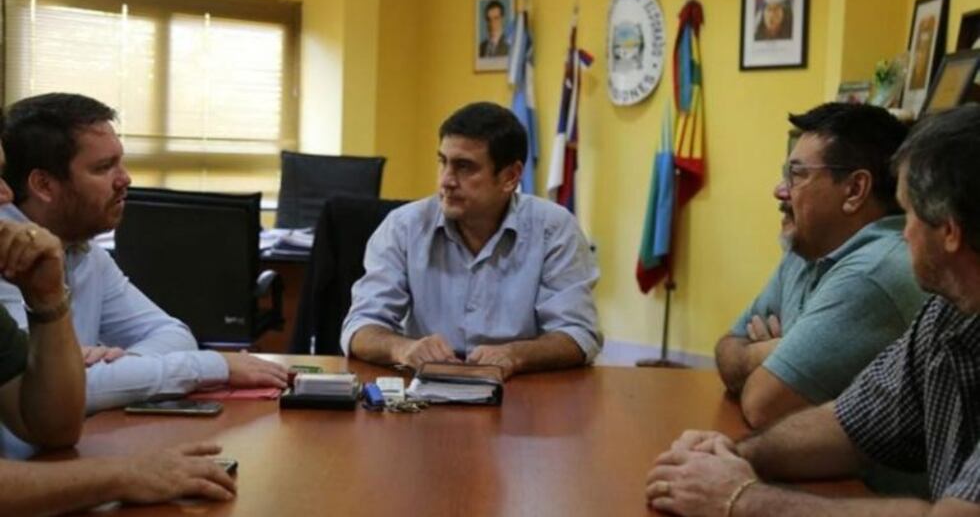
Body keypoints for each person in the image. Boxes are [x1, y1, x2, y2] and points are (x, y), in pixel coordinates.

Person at [645, 105, 980, 516]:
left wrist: (740, 498)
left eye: (908, 213)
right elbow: (849, 426)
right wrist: (730, 454)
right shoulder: (947, 316)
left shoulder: (884, 267)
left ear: (949, 230)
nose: (902, 232)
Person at [0, 120, 236, 514]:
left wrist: (48, 302)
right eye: (102, 167)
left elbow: (55, 428)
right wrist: (123, 475)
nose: (6, 193)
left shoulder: (66, 256)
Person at [0, 93, 287, 415]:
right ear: (44, 185)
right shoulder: (7, 259)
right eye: (103, 168)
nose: (125, 179)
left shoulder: (84, 253)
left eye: (119, 162)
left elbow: (173, 335)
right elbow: (51, 396)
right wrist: (213, 365)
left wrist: (119, 369)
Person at [341, 101, 601, 378]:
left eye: (464, 167)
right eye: (443, 162)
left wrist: (516, 355)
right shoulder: (403, 227)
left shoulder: (554, 228)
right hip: (424, 394)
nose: (446, 181)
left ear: (510, 177)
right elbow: (360, 327)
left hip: (523, 393)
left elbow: (578, 334)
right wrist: (402, 349)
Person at [715, 103, 924, 430]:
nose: (779, 190)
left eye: (796, 175)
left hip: (859, 482)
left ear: (854, 190)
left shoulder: (873, 272)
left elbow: (762, 404)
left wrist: (760, 355)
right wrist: (779, 351)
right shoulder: (806, 249)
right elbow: (726, 349)